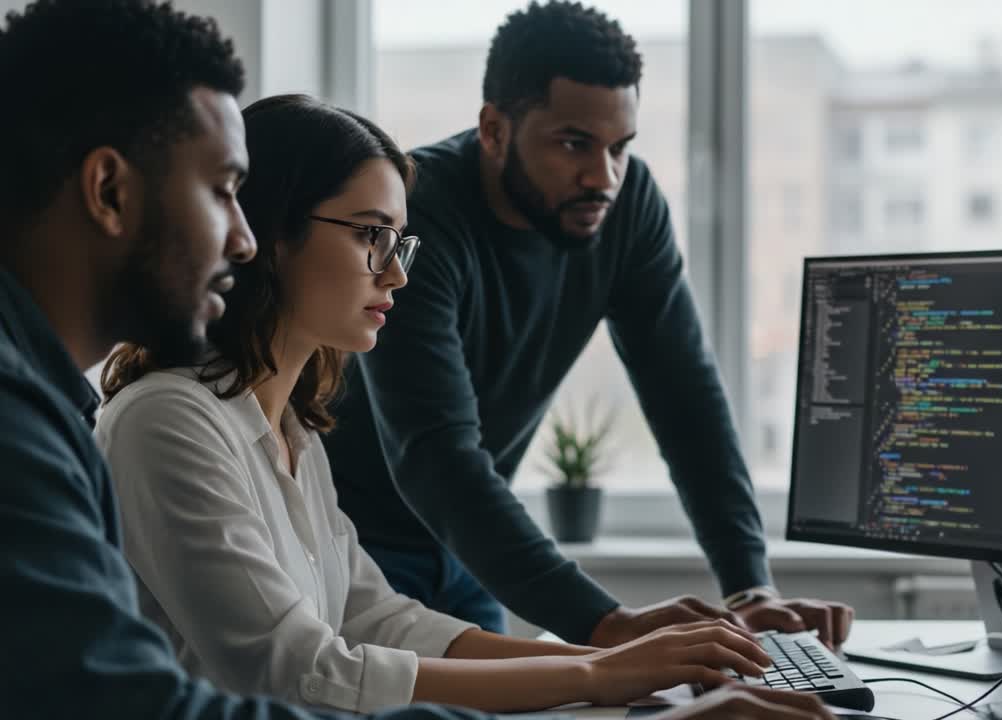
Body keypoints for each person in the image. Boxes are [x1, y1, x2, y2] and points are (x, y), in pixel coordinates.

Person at [0, 2, 833, 719]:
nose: (241, 237)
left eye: (398, 242)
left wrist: (627, 661)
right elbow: (290, 667)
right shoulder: (141, 420)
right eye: (371, 239)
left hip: (426, 562)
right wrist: (599, 657)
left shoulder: (281, 428)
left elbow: (375, 618)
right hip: (414, 518)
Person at [325, 0, 855, 649]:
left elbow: (685, 399)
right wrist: (608, 625)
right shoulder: (420, 215)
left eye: (620, 148)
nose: (602, 178)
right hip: (351, 544)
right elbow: (436, 456)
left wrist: (749, 586)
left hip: (465, 555)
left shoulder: (626, 210)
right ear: (494, 129)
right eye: (574, 144)